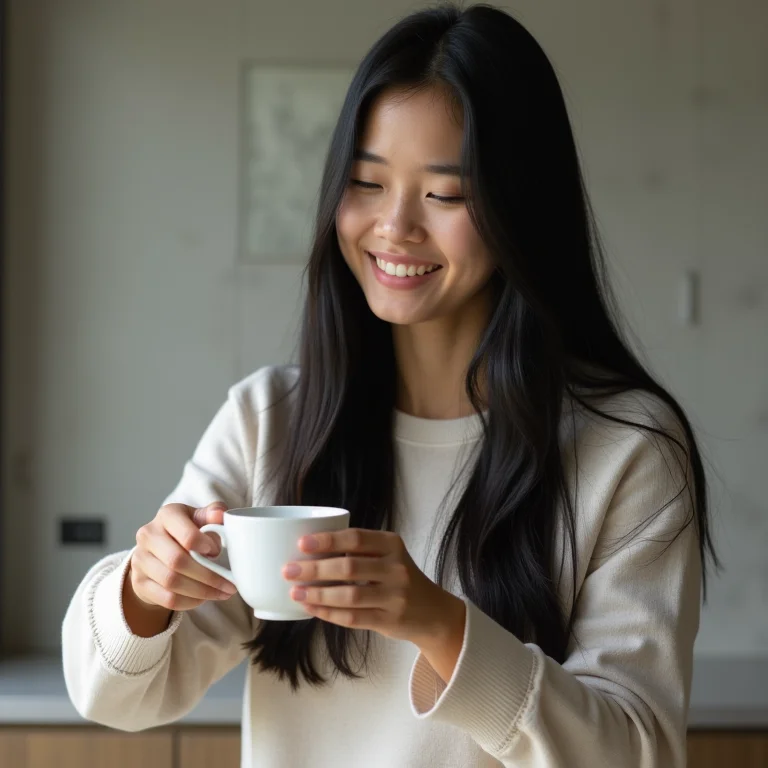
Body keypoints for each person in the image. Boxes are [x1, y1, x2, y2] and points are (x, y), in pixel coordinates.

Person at [62, 4, 719, 767]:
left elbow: (638, 751)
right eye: (367, 183)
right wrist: (144, 591)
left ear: (521, 206)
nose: (394, 226)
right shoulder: (269, 421)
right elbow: (114, 695)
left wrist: (442, 625)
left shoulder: (626, 451)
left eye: (444, 195)